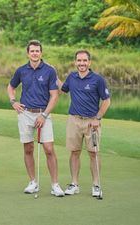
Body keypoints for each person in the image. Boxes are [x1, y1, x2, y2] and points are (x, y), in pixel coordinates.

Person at [7, 40, 64, 197]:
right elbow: (11, 87)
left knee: (49, 149)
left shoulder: (49, 71)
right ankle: (33, 182)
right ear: (28, 53)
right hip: (25, 113)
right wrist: (13, 102)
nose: (34, 53)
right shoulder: (21, 71)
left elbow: (54, 95)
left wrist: (44, 115)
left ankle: (55, 184)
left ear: (41, 53)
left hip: (43, 113)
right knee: (28, 148)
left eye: (37, 51)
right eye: (32, 51)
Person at [58, 50, 110, 197]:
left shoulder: (97, 79)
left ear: (89, 62)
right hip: (74, 120)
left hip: (91, 123)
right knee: (74, 152)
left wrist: (97, 118)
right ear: (75, 62)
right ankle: (74, 184)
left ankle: (96, 185)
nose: (82, 63)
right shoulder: (72, 77)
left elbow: (106, 101)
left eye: (84, 60)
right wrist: (52, 73)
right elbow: (63, 88)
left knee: (93, 153)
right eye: (79, 61)